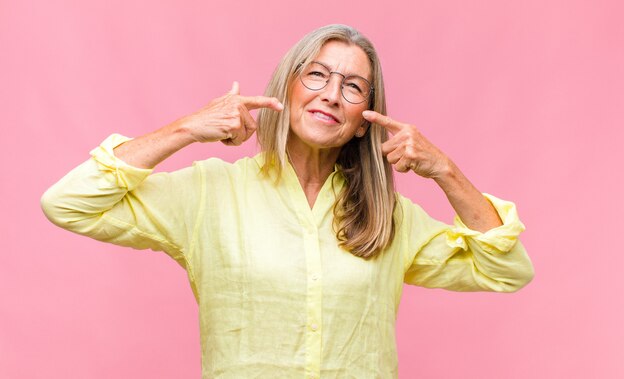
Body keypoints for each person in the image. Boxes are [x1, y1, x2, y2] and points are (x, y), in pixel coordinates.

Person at [41, 24, 534, 378]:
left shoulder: (387, 218)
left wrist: (445, 170)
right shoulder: (210, 193)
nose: (332, 95)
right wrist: (188, 128)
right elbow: (68, 201)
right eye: (316, 75)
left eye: (353, 86)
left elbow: (506, 268)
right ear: (288, 86)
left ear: (364, 117)